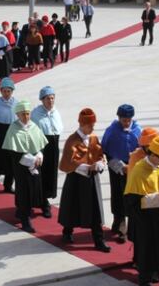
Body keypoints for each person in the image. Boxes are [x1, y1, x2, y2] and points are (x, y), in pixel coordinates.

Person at [58, 108, 111, 252]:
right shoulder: (72, 140)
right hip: (76, 179)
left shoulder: (93, 138)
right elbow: (68, 162)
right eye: (90, 125)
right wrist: (87, 167)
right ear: (82, 124)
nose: (93, 128)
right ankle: (67, 232)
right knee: (72, 207)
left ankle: (99, 240)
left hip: (91, 180)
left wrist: (100, 164)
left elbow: (99, 155)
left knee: (95, 210)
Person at [124, 136, 159, 286]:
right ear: (152, 155)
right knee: (147, 247)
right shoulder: (139, 170)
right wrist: (157, 197)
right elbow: (133, 200)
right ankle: (145, 277)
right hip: (145, 216)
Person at [3, 100, 48, 233]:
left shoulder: (34, 126)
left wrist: (39, 155)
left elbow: (40, 144)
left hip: (35, 165)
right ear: (17, 114)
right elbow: (14, 152)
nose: (26, 117)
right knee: (23, 191)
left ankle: (24, 210)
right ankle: (24, 218)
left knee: (34, 188)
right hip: (21, 167)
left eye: (27, 114)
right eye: (23, 114)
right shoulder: (13, 129)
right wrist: (31, 160)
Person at [102, 104, 142, 243]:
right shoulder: (112, 131)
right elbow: (106, 151)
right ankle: (119, 222)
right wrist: (119, 165)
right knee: (118, 194)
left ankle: (131, 225)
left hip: (133, 169)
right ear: (119, 118)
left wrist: (133, 165)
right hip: (117, 168)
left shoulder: (138, 130)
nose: (126, 123)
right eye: (123, 120)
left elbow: (143, 150)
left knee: (131, 196)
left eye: (128, 120)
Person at [31, 86, 63, 218]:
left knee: (51, 174)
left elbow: (58, 128)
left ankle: (46, 198)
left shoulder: (55, 112)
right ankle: (43, 202)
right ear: (42, 100)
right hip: (42, 146)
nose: (50, 101)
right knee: (41, 174)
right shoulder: (36, 113)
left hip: (53, 146)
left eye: (52, 98)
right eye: (47, 99)